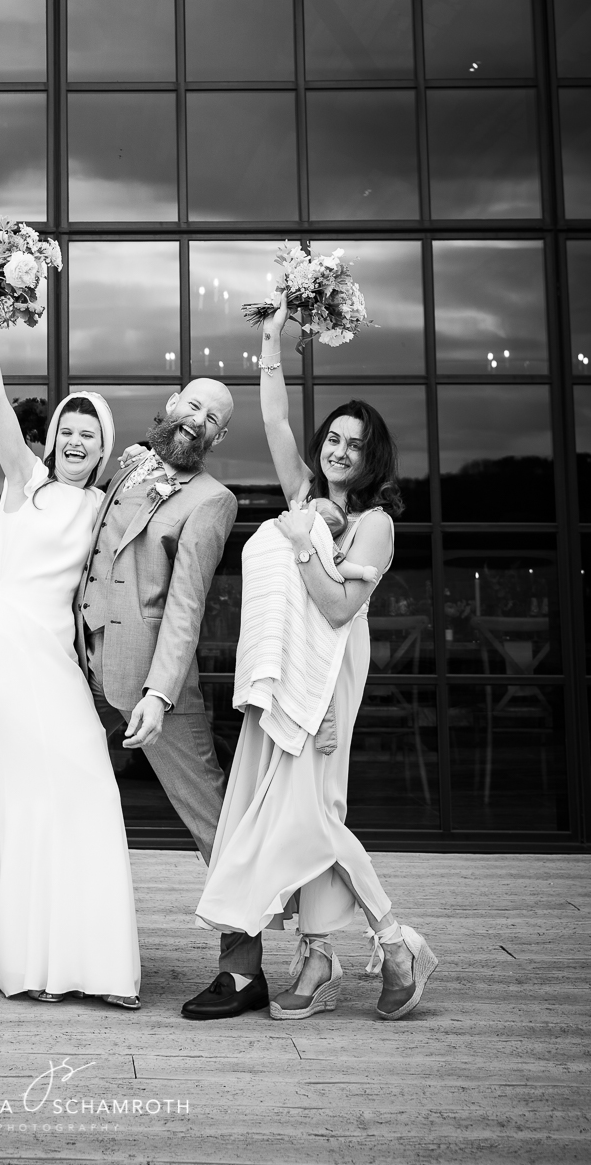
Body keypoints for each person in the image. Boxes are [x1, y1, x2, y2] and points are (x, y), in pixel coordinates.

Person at [184, 290, 438, 1024]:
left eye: (355, 445)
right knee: (299, 811)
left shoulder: (374, 524)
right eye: (333, 438)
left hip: (329, 667)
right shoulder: (304, 493)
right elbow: (273, 420)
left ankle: (394, 940)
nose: (338, 451)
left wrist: (301, 545)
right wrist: (272, 341)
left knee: (313, 816)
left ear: (372, 457)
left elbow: (335, 610)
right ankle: (319, 955)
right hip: (283, 666)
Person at [0, 280, 141, 1006]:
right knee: (23, 800)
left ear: (103, 447)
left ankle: (89, 963)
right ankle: (26, 962)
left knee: (87, 785)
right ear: (52, 438)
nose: (75, 440)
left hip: (57, 659)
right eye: (67, 429)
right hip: (7, 652)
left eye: (89, 434)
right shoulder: (27, 481)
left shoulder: (104, 508)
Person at [78, 380, 239, 973]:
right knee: (68, 805)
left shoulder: (213, 500)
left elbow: (186, 605)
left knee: (210, 818)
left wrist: (159, 692)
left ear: (219, 436)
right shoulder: (128, 469)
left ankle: (241, 966)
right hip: (81, 671)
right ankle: (72, 949)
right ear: (172, 406)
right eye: (193, 405)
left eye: (213, 418)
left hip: (152, 686)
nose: (198, 419)